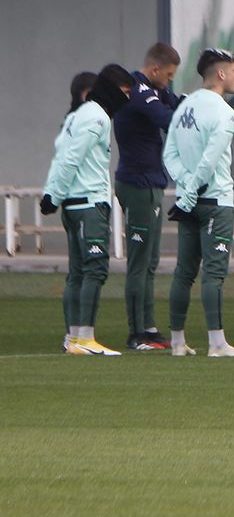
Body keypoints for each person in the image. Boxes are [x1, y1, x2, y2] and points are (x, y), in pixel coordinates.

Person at [162, 48, 234, 358]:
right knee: (213, 274)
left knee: (184, 272)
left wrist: (185, 189)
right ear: (221, 74)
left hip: (187, 203)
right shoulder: (225, 112)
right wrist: (191, 191)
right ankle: (217, 344)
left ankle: (177, 342)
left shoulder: (185, 105)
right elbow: (210, 160)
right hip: (214, 202)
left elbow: (169, 154)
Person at [43, 64, 135, 356]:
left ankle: (73, 338)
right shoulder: (97, 116)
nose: (127, 99)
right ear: (111, 90)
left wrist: (52, 194)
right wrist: (54, 194)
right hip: (89, 204)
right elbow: (71, 158)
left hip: (73, 204)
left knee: (77, 273)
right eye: (125, 92)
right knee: (94, 270)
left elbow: (60, 156)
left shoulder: (76, 115)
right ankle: (85, 339)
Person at [113, 42, 181, 351]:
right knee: (139, 263)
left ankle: (149, 327)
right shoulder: (138, 92)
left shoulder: (155, 90)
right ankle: (135, 332)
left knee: (151, 261)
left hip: (151, 182)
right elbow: (170, 120)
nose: (169, 81)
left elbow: (176, 106)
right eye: (168, 75)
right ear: (154, 69)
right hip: (137, 183)